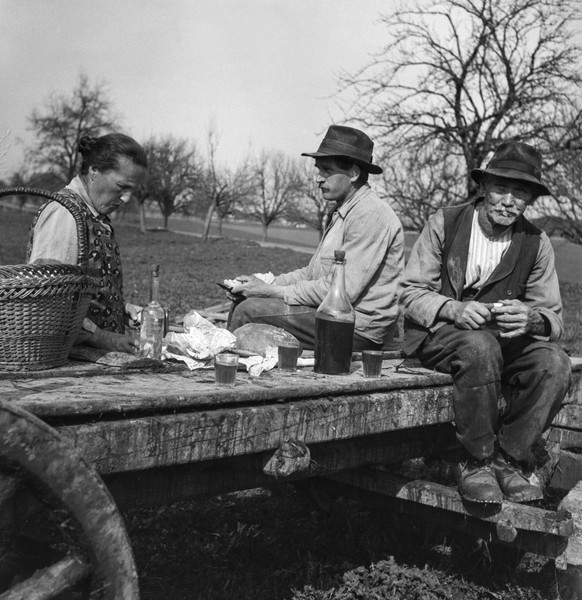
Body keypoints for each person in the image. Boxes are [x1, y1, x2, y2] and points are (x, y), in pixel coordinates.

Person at [399, 141, 571, 504]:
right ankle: (474, 462)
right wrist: (453, 309)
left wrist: (532, 319)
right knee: (480, 346)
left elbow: (553, 317)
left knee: (555, 364)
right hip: (440, 337)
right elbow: (410, 293)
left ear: (530, 200)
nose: (509, 200)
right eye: (501, 188)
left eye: (520, 192)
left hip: (501, 345)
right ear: (483, 187)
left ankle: (510, 460)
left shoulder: (536, 242)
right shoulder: (444, 223)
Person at [227, 125, 405, 351]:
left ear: (353, 173)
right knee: (245, 301)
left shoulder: (369, 214)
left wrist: (272, 292)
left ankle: (229, 374)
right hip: (334, 315)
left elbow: (341, 291)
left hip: (359, 328)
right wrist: (264, 284)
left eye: (327, 171)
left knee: (249, 310)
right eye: (318, 169)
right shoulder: (343, 211)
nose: (318, 179)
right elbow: (311, 274)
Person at [28, 133, 147, 353]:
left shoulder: (92, 213)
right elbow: (47, 301)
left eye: (132, 190)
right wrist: (100, 337)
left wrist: (120, 309)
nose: (127, 199)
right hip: (64, 365)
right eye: (122, 186)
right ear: (94, 171)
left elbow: (80, 291)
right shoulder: (65, 214)